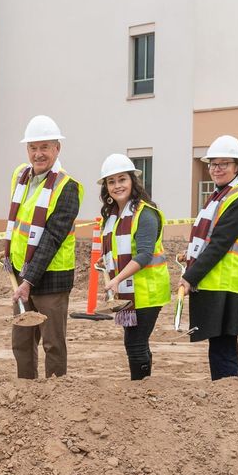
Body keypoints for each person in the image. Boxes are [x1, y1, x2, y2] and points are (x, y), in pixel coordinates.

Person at [0, 115, 83, 379]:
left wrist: (28, 282)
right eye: (33, 147)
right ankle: (26, 392)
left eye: (45, 147)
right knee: (22, 341)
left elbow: (51, 238)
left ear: (57, 148)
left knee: (52, 344)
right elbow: (19, 220)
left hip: (51, 278)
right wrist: (9, 249)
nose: (38, 154)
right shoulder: (20, 176)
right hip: (22, 273)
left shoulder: (68, 187)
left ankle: (54, 395)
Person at [181, 135, 238, 380]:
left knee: (224, 349)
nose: (217, 169)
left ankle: (229, 393)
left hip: (228, 284)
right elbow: (210, 239)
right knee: (219, 346)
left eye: (224, 164)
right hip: (217, 283)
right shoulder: (220, 195)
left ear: (237, 166)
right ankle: (226, 392)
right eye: (213, 164)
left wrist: (190, 276)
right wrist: (190, 255)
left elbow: (219, 244)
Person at [97, 154, 170, 380]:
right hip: (129, 292)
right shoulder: (112, 216)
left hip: (147, 292)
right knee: (137, 342)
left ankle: (140, 387)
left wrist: (117, 279)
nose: (117, 185)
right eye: (111, 181)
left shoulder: (145, 214)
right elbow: (120, 248)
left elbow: (145, 254)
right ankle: (143, 386)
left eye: (122, 179)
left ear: (133, 181)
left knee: (135, 343)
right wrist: (106, 261)